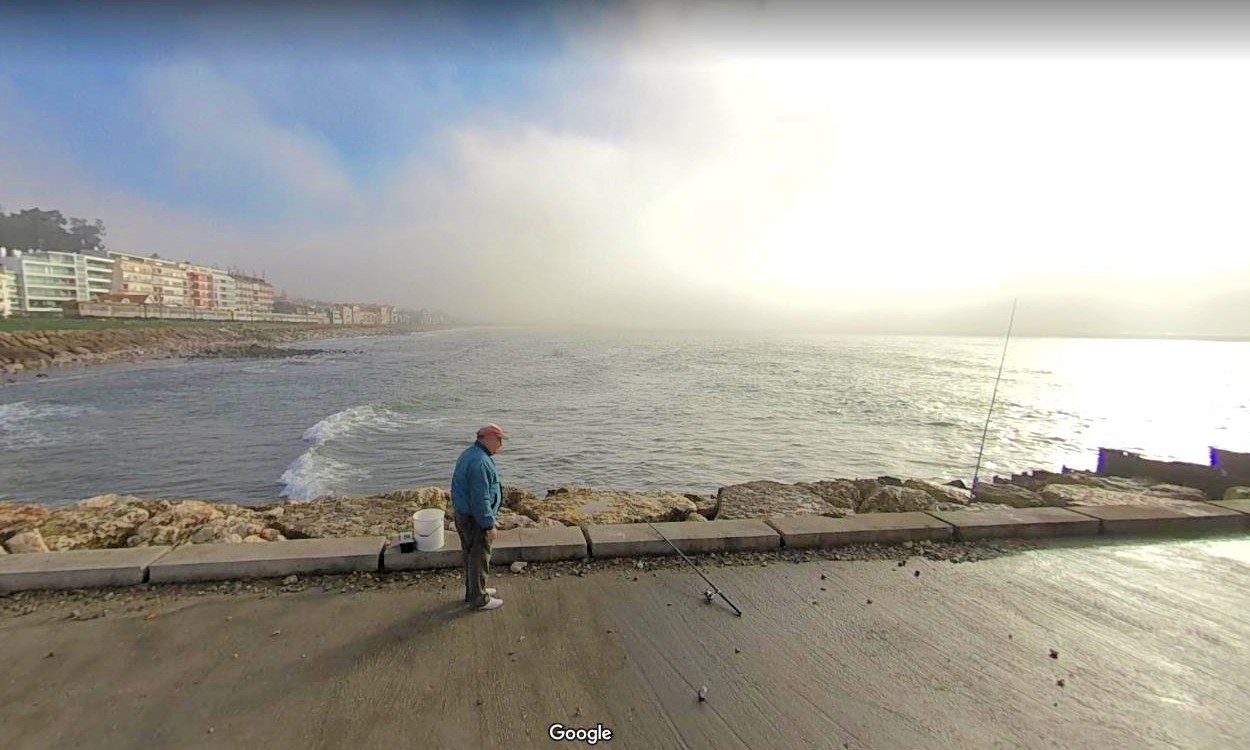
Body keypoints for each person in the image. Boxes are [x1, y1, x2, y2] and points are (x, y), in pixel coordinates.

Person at [450, 423, 506, 610]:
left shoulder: (470, 454)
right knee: (479, 558)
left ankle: (474, 591)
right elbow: (480, 498)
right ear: (489, 438)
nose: (501, 445)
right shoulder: (480, 462)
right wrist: (488, 524)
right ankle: (479, 599)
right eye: (499, 440)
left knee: (470, 557)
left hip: (463, 515)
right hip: (475, 519)